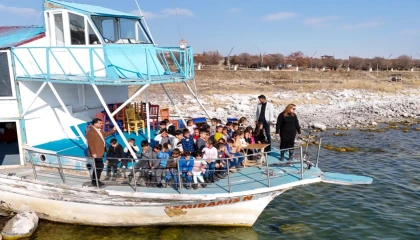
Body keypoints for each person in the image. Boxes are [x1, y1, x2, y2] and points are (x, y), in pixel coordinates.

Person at [86, 118, 116, 186]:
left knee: (98, 166)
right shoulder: (91, 132)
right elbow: (91, 143)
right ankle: (95, 181)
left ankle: (96, 180)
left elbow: (105, 135)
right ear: (95, 124)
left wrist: (112, 130)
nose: (101, 124)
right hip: (96, 153)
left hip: (100, 151)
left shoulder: (100, 130)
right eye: (100, 123)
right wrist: (93, 153)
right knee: (99, 166)